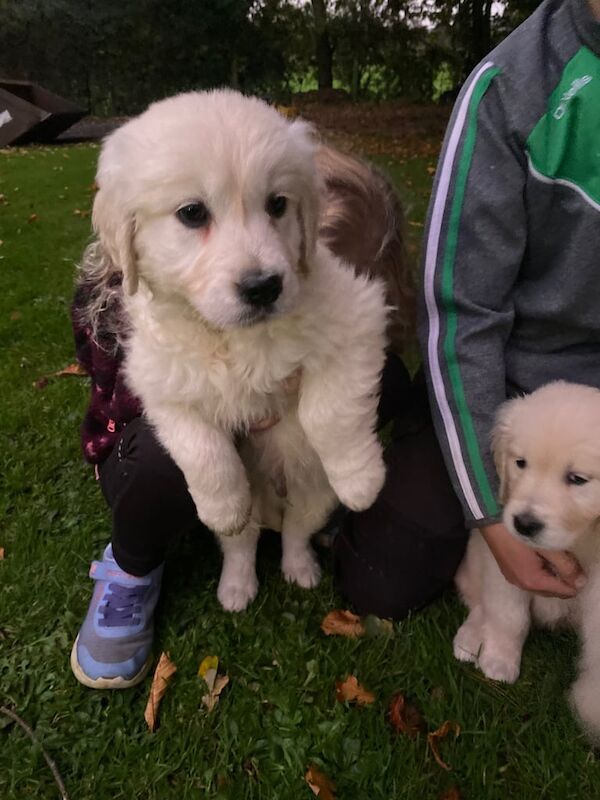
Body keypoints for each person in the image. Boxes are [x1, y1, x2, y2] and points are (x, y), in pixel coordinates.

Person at [70, 144, 467, 689]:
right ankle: (131, 564)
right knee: (168, 458)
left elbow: (363, 359)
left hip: (289, 456)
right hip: (149, 448)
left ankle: (301, 528)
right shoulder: (146, 294)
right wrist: (227, 407)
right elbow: (148, 392)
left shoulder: (336, 301)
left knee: (382, 384)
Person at [418, 0, 600, 601]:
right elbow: (460, 313)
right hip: (518, 397)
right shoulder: (513, 88)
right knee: (392, 568)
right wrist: (491, 516)